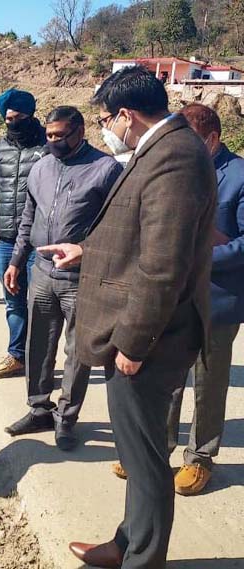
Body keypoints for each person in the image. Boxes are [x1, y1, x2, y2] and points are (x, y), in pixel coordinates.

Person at [40, 66, 216, 569]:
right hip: (145, 330)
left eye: (103, 119)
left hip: (152, 338)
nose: (104, 129)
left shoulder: (176, 158)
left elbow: (164, 266)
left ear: (125, 114)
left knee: (145, 460)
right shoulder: (160, 150)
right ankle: (127, 542)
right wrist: (85, 250)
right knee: (137, 454)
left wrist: (135, 344)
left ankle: (143, 557)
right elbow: (133, 232)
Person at [110, 103, 244, 495]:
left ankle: (200, 457)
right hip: (171, 297)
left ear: (212, 139)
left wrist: (194, 259)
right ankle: (155, 451)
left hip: (217, 300)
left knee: (209, 381)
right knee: (165, 379)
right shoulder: (178, 171)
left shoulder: (238, 176)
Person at [3, 106, 123, 451]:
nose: (53, 141)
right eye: (50, 135)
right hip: (40, 273)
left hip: (80, 278)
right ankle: (39, 408)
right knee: (38, 343)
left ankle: (66, 418)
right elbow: (29, 218)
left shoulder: (105, 170)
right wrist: (15, 262)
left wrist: (85, 249)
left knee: (77, 351)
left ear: (80, 132)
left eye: (60, 135)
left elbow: (117, 227)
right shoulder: (40, 167)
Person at [0, 88, 47, 378]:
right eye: (8, 118)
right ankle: (17, 356)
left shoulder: (47, 146)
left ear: (30, 115)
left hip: (38, 242)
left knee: (39, 304)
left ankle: (39, 362)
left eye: (18, 117)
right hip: (7, 239)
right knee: (13, 301)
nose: (13, 122)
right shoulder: (0, 148)